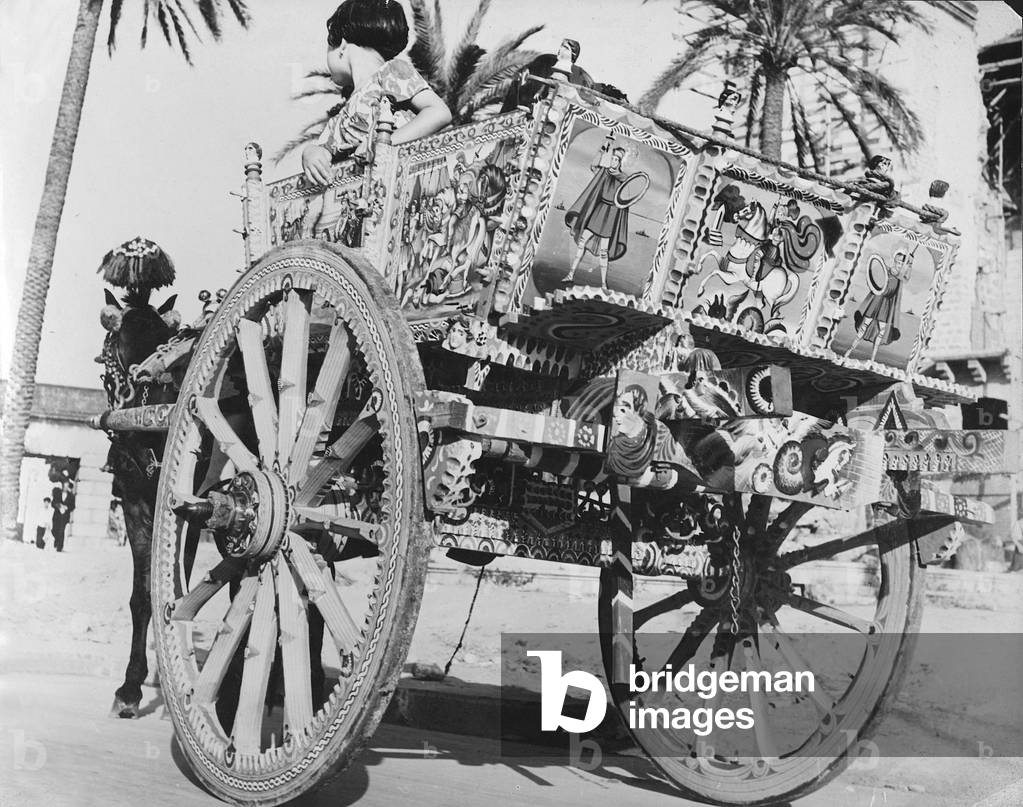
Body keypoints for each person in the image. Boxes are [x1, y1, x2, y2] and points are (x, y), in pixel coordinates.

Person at [302, 0, 452, 185]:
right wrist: (310, 153)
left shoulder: (392, 71)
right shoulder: (340, 118)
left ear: (341, 45)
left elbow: (439, 112)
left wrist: (383, 144)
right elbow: (321, 150)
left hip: (403, 187)